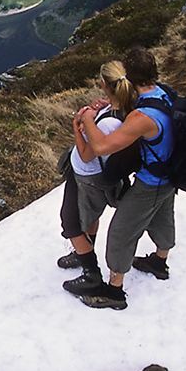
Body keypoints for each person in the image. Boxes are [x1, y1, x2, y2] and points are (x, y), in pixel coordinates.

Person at [63, 45, 175, 310]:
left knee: (121, 233)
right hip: (172, 173)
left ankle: (114, 292)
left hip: (152, 180)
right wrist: (109, 106)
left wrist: (87, 119)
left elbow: (100, 147)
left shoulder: (141, 115)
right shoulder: (163, 94)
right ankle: (159, 261)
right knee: (161, 217)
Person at [57, 61, 133, 284]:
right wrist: (97, 111)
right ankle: (84, 252)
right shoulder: (121, 109)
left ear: (103, 84)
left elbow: (87, 153)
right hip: (93, 176)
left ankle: (91, 272)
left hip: (87, 176)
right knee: (90, 215)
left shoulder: (109, 123)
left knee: (70, 222)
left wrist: (78, 125)